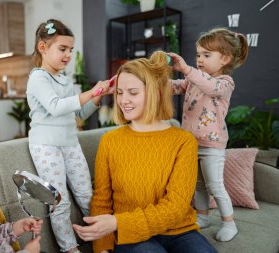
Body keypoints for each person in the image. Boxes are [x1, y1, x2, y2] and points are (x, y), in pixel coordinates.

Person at [73, 50, 217, 253]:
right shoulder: (110, 141)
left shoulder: (183, 141)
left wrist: (117, 223)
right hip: (129, 236)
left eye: (133, 92)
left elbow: (176, 207)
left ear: (155, 93)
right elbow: (102, 199)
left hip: (179, 231)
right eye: (120, 93)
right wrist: (102, 247)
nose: (123, 101)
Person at [26, 19, 110, 253]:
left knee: (86, 195)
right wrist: (90, 91)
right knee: (59, 201)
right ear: (43, 47)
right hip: (46, 146)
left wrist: (96, 98)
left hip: (69, 142)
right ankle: (69, 249)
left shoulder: (66, 79)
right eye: (62, 49)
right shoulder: (38, 77)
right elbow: (55, 106)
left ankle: (101, 241)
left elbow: (80, 112)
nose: (68, 55)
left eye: (70, 50)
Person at [168, 27, 249, 242]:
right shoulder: (195, 78)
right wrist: (152, 83)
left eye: (206, 55)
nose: (200, 59)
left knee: (215, 185)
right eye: (198, 54)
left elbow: (209, 86)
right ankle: (202, 217)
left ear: (225, 58)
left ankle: (229, 222)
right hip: (191, 144)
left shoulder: (224, 83)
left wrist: (186, 69)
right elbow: (175, 86)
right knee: (199, 185)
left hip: (212, 145)